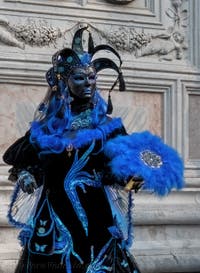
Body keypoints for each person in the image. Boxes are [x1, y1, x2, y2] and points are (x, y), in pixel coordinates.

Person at [3, 26, 184, 273]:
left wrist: (134, 180)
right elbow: (27, 162)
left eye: (92, 77)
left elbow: (118, 175)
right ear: (63, 82)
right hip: (54, 218)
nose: (88, 83)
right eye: (79, 77)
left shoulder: (108, 127)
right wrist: (27, 175)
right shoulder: (47, 128)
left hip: (96, 219)